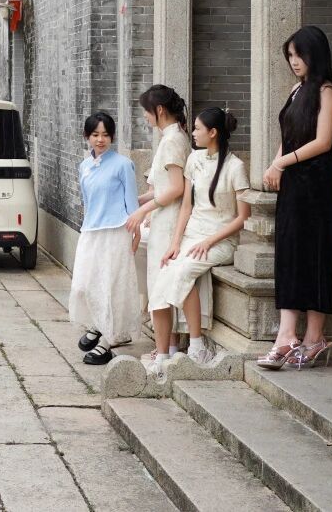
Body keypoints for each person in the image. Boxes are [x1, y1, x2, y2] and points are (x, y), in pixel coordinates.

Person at [259, 25, 332, 371]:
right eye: (290, 55)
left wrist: (283, 162)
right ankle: (287, 335)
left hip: (318, 181)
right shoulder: (297, 90)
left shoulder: (326, 92)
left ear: (315, 54)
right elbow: (289, 134)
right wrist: (274, 163)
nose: (294, 61)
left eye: (299, 55)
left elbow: (323, 142)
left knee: (316, 253)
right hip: (294, 180)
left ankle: (314, 338)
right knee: (290, 250)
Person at [148, 108, 250, 371]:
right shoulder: (194, 159)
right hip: (192, 236)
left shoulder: (235, 167)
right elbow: (186, 207)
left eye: (197, 129)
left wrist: (209, 241)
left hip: (220, 241)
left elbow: (242, 218)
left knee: (182, 272)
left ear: (212, 132)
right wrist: (174, 244)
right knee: (163, 278)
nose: (192, 133)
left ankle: (197, 346)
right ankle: (162, 355)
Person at [123, 86, 192, 357]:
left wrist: (143, 210)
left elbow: (176, 188)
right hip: (165, 218)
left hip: (168, 222)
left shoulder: (172, 140)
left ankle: (163, 352)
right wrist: (136, 201)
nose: (145, 116)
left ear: (159, 110)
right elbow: (162, 188)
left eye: (146, 111)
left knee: (159, 287)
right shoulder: (173, 137)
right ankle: (169, 348)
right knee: (161, 286)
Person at [69, 112, 140, 365]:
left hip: (117, 231)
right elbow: (88, 202)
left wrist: (136, 232)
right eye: (95, 134)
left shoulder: (123, 164)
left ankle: (108, 341)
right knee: (84, 284)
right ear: (87, 136)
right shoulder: (84, 166)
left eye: (106, 135)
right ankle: (97, 324)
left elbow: (132, 202)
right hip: (91, 231)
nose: (100, 139)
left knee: (111, 286)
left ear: (112, 137)